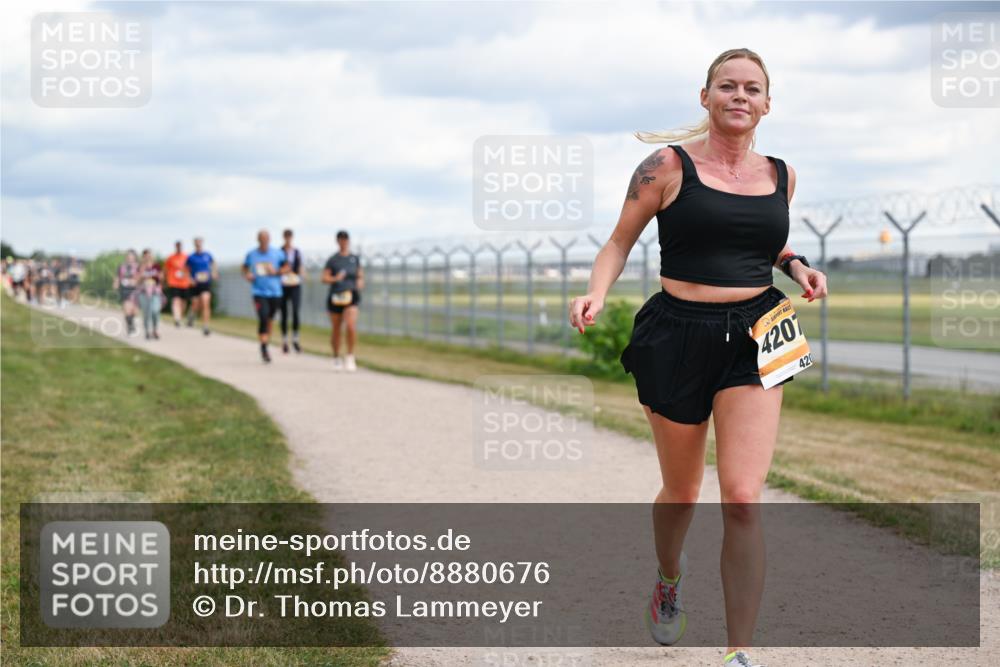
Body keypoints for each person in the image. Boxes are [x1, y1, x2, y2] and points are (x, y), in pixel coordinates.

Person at [568, 49, 828, 667]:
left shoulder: (782, 174)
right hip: (678, 333)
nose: (740, 95)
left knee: (742, 496)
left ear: (768, 103)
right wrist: (596, 292)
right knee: (682, 491)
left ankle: (739, 652)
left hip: (759, 330)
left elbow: (762, 235)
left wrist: (796, 266)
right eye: (728, 86)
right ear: (706, 97)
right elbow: (618, 241)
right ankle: (667, 576)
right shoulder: (665, 166)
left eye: (753, 88)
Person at [242, 230, 289, 363]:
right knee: (263, 317)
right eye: (261, 238)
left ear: (269, 239)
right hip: (259, 292)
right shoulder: (251, 254)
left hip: (275, 292)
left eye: (266, 238)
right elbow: (244, 268)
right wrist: (247, 275)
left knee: (269, 319)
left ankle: (266, 343)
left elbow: (287, 267)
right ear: (258, 239)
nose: (264, 241)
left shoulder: (278, 253)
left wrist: (277, 271)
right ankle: (263, 348)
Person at [321, 230, 364, 372]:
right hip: (336, 296)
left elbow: (360, 275)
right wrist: (335, 278)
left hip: (351, 296)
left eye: (346, 239)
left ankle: (350, 356)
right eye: (341, 239)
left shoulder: (354, 258)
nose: (344, 241)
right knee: (336, 329)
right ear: (337, 241)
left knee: (351, 326)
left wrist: (359, 282)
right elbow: (324, 278)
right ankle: (336, 357)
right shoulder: (333, 260)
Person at [279, 228, 305, 353]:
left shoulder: (297, 252)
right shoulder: (279, 252)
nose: (288, 238)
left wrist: (301, 276)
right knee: (284, 313)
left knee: (295, 311)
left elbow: (300, 267)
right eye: (286, 236)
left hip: (295, 284)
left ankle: (295, 338)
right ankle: (284, 340)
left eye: (290, 236)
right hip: (283, 285)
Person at [186, 237, 217, 336]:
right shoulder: (191, 257)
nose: (198, 245)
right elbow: (185, 270)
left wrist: (214, 272)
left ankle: (206, 326)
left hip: (205, 283)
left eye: (200, 243)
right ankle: (191, 316)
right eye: (197, 243)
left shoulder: (207, 255)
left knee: (205, 302)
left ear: (202, 244)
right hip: (195, 284)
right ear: (194, 244)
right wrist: (190, 279)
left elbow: (213, 264)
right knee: (196, 304)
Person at [136, 249, 164, 340]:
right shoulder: (140, 267)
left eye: (149, 255)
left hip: (155, 292)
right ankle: (147, 331)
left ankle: (155, 330)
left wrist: (159, 277)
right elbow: (137, 280)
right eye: (146, 255)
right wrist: (142, 273)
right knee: (146, 313)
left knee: (155, 311)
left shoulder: (156, 266)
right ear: (143, 257)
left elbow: (161, 278)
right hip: (144, 293)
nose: (148, 257)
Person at [164, 240, 192, 327]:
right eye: (177, 246)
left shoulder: (186, 257)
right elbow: (166, 269)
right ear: (175, 246)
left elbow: (190, 269)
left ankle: (180, 316)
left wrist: (190, 278)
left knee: (183, 302)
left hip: (184, 283)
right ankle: (177, 319)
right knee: (176, 300)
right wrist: (166, 280)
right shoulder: (171, 257)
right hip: (174, 282)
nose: (178, 247)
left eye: (180, 246)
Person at [114, 250, 141, 336]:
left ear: (134, 257)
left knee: (134, 311)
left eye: (131, 256)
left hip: (135, 291)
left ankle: (132, 323)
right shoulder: (121, 266)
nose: (129, 258)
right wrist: (116, 284)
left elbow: (141, 278)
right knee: (127, 309)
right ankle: (130, 328)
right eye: (128, 256)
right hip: (125, 290)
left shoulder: (138, 267)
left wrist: (135, 282)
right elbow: (118, 277)